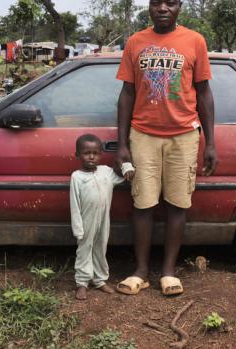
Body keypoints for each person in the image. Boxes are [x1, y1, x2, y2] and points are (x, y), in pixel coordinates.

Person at [115, 0, 217, 296]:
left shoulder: (195, 41)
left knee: (177, 203)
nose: (163, 8)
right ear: (149, 6)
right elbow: (127, 93)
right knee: (142, 204)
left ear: (179, 7)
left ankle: (169, 272)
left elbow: (204, 93)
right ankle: (141, 271)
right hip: (143, 135)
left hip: (184, 135)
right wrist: (122, 143)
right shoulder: (136, 42)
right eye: (156, 2)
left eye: (170, 2)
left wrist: (211, 141)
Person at [70, 134, 135, 300]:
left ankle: (99, 280)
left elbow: (123, 176)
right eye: (86, 153)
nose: (91, 156)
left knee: (100, 247)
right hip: (86, 221)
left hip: (103, 219)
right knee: (84, 250)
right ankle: (82, 282)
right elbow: (74, 205)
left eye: (95, 153)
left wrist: (127, 166)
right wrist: (78, 228)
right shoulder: (77, 177)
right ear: (78, 155)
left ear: (101, 154)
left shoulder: (106, 172)